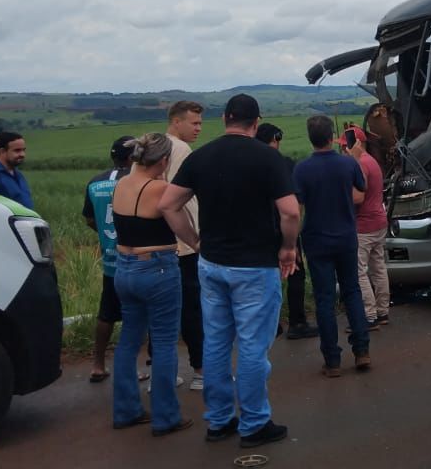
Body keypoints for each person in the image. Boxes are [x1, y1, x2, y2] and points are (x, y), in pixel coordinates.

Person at [159, 94, 300, 449]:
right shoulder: (268, 158)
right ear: (256, 123)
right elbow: (290, 212)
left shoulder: (202, 156)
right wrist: (287, 247)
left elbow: (168, 205)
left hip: (212, 265)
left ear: (225, 119)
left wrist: (195, 241)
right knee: (253, 347)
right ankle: (254, 423)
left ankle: (220, 421)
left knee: (217, 343)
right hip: (255, 267)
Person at [110, 133, 198, 438]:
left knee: (128, 341)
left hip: (124, 268)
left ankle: (125, 410)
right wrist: (198, 244)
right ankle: (165, 416)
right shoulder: (161, 189)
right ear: (163, 160)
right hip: (158, 267)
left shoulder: (121, 183)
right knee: (163, 342)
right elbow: (181, 225)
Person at [293, 115, 371, 377]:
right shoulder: (347, 164)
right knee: (352, 292)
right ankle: (362, 351)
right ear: (331, 136)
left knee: (324, 299)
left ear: (310, 137)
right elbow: (362, 190)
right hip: (346, 237)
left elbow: (297, 207)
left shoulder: (301, 169)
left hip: (316, 240)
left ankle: (333, 360)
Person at [256, 122, 319, 340]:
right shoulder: (284, 163)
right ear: (275, 139)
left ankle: (269, 325)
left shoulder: (251, 163)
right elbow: (294, 202)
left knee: (265, 278)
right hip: (284, 225)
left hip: (260, 229)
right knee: (296, 273)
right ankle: (297, 322)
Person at [82, 136, 133, 383]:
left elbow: (89, 219)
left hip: (110, 259)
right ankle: (130, 368)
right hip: (134, 257)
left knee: (106, 313)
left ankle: (97, 364)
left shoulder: (95, 182)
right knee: (136, 315)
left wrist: (104, 235)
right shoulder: (135, 182)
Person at [164, 100, 205, 391]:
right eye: (194, 123)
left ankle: (162, 374)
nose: (198, 129)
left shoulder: (157, 146)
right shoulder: (180, 150)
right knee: (193, 309)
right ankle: (201, 371)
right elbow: (179, 201)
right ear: (176, 122)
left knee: (164, 310)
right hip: (184, 243)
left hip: (160, 243)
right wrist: (194, 237)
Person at [343, 126, 391, 329]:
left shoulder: (360, 164)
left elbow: (357, 196)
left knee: (359, 271)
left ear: (357, 144)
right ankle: (382, 311)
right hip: (379, 221)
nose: (344, 150)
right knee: (378, 267)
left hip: (364, 225)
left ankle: (368, 315)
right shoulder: (372, 161)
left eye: (346, 146)